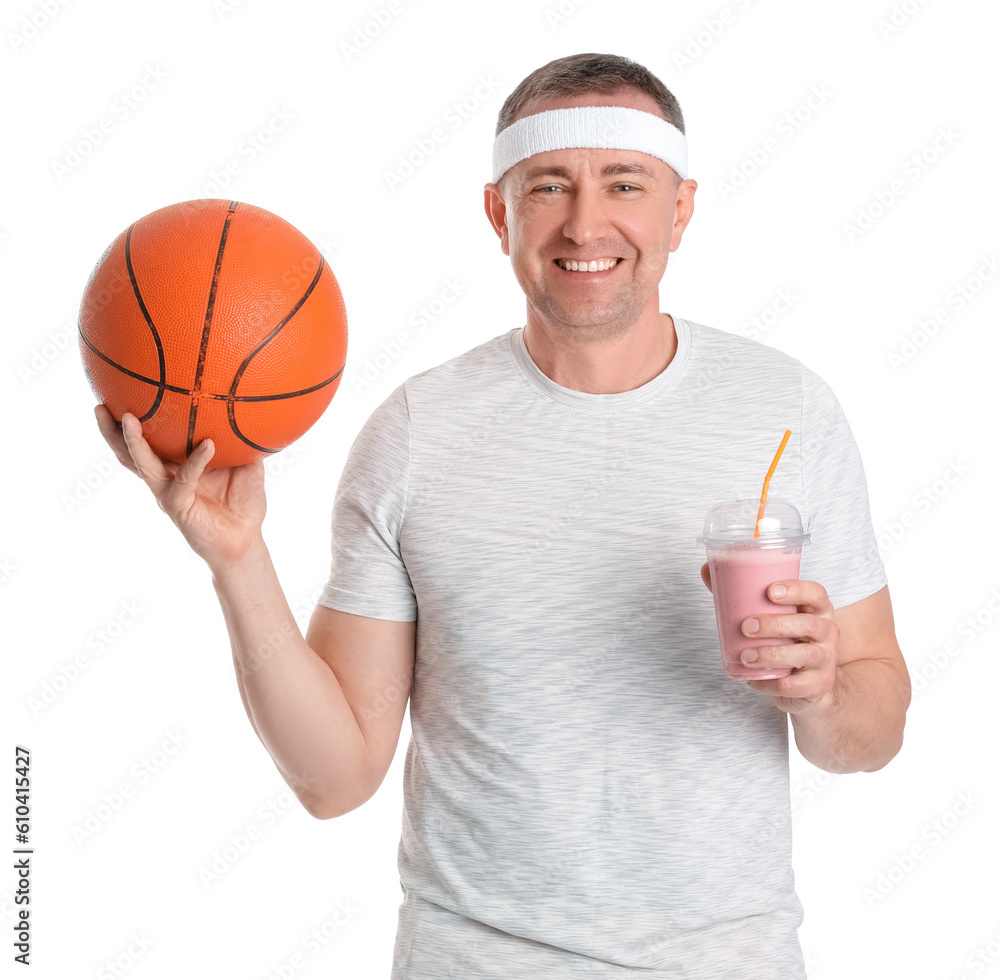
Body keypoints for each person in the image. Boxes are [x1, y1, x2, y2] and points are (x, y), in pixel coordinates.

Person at [95, 52, 911, 980]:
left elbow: (874, 734)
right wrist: (237, 562)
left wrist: (825, 691)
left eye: (625, 183)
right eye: (549, 185)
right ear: (500, 213)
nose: (585, 222)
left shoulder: (789, 410)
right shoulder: (414, 433)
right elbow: (335, 779)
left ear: (679, 210)